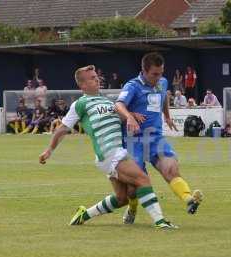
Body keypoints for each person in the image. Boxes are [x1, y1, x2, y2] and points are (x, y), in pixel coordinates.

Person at [39, 65, 176, 229]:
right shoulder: (80, 104)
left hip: (115, 152)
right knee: (143, 179)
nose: (97, 79)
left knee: (122, 198)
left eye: (97, 76)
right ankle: (160, 221)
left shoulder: (108, 102)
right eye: (92, 78)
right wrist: (49, 150)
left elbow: (120, 117)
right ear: (82, 85)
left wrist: (131, 116)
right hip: (109, 153)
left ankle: (84, 214)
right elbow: (63, 129)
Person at [116, 52, 203, 224]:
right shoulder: (132, 86)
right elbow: (118, 105)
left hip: (155, 138)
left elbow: (164, 98)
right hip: (134, 140)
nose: (159, 77)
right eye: (154, 74)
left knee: (171, 168)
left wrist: (167, 116)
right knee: (133, 187)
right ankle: (132, 208)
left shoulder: (162, 82)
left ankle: (189, 199)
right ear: (144, 71)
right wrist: (130, 117)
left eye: (161, 73)